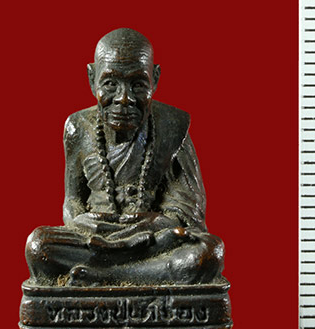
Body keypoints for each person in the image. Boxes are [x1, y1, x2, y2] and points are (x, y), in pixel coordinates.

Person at [25, 28, 224, 286]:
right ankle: (135, 273)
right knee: (39, 246)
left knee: (208, 252)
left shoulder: (173, 126)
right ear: (92, 79)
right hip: (96, 239)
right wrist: (82, 222)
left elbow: (190, 212)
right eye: (110, 83)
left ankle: (105, 276)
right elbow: (73, 200)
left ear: (155, 79)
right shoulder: (77, 127)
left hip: (152, 239)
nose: (124, 98)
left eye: (138, 84)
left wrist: (154, 224)